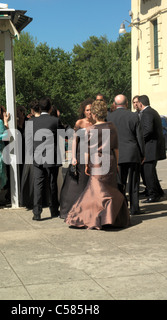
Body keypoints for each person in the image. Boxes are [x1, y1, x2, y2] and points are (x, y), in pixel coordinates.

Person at [65, 100, 130, 230]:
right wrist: (116, 163)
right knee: (108, 189)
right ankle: (109, 217)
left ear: (94, 114)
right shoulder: (111, 127)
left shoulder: (90, 129)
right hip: (110, 160)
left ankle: (88, 217)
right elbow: (116, 148)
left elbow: (87, 150)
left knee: (96, 190)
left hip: (96, 161)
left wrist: (87, 165)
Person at [107, 95, 145, 216]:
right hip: (132, 153)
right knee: (134, 182)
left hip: (117, 154)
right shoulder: (133, 116)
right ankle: (135, 208)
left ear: (114, 103)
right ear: (127, 103)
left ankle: (122, 208)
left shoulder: (109, 117)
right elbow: (139, 136)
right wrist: (142, 153)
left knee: (120, 183)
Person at [27, 97, 64, 220]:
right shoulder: (55, 121)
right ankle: (54, 210)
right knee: (52, 184)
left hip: (37, 156)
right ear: (50, 108)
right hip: (51, 156)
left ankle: (37, 213)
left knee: (38, 185)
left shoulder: (31, 122)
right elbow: (61, 136)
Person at [59, 98, 94, 219]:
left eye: (91, 110)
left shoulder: (98, 122)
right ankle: (72, 210)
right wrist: (73, 157)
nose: (89, 112)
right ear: (84, 111)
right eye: (87, 110)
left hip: (94, 156)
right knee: (78, 184)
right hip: (80, 155)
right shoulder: (79, 123)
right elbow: (75, 141)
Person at [20, 100, 50, 209]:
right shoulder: (45, 121)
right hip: (44, 152)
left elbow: (27, 139)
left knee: (31, 179)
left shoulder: (30, 122)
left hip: (32, 152)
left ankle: (31, 200)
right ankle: (44, 200)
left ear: (32, 110)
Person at [137, 95, 166, 203]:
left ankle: (153, 194)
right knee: (151, 171)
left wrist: (139, 139)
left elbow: (148, 130)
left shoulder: (147, 113)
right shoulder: (152, 111)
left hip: (150, 148)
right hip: (153, 147)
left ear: (141, 103)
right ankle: (158, 191)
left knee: (148, 172)